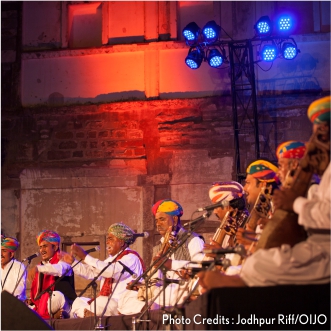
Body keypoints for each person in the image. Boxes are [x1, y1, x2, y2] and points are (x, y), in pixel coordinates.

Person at [197, 95, 330, 290]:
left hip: (323, 254)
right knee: (259, 262)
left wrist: (295, 204)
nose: (280, 173)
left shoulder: (314, 188)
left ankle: (235, 286)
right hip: (311, 250)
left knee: (259, 263)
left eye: (321, 135)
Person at [119, 199, 205, 313]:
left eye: (162, 219)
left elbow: (201, 267)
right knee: (125, 296)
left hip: (181, 288)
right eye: (156, 221)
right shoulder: (159, 246)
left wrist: (171, 264)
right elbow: (154, 276)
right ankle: (148, 310)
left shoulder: (193, 240)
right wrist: (142, 285)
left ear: (174, 219)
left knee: (163, 294)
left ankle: (150, 311)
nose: (158, 224)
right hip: (161, 289)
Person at [63, 223, 144, 317]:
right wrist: (73, 262)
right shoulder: (110, 260)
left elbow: (110, 271)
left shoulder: (131, 257)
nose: (107, 242)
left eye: (111, 239)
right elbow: (92, 273)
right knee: (78, 301)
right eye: (107, 239)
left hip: (120, 304)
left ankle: (90, 315)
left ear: (121, 243)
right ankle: (89, 315)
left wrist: (85, 257)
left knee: (101, 301)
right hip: (106, 303)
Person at [27, 230, 77, 319]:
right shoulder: (41, 265)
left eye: (45, 246)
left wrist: (38, 269)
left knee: (55, 296)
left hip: (65, 303)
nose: (42, 250)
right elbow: (38, 292)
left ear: (55, 247)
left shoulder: (64, 262)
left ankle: (59, 314)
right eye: (40, 247)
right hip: (46, 304)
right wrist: (31, 301)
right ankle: (52, 315)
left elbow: (57, 269)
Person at [204, 181, 249, 249]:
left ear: (229, 208)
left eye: (216, 207)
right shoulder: (227, 228)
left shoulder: (247, 230)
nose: (214, 212)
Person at [1, 235, 27, 301]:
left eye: (4, 251)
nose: (0, 254)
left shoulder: (19, 266)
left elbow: (19, 289)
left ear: (11, 254)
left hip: (14, 305)